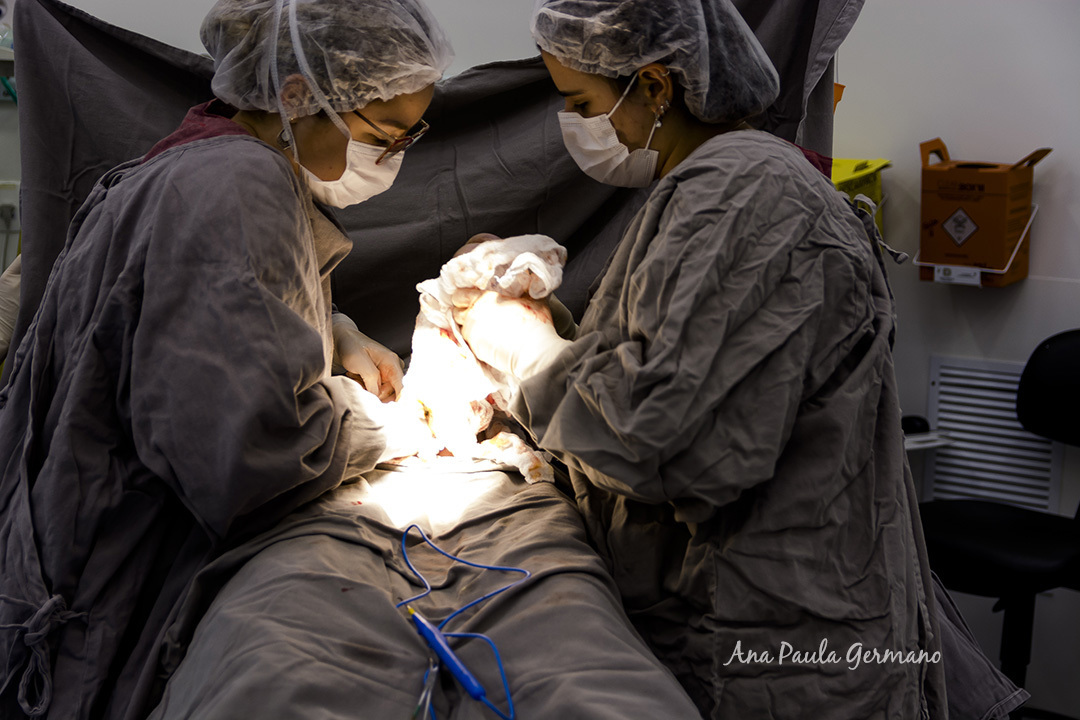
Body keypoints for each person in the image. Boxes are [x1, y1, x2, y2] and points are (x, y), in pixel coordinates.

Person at [453, 1, 948, 718]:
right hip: (747, 618)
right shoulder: (711, 185)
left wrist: (522, 347)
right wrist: (545, 320)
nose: (581, 127)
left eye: (583, 103)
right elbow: (673, 365)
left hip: (775, 649)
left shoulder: (742, 195)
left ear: (656, 87)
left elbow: (655, 440)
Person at [0, 1, 450, 718]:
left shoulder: (208, 154)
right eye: (382, 136)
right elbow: (245, 455)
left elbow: (186, 303)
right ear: (299, 95)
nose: (390, 159)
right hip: (115, 567)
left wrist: (331, 328)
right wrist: (389, 427)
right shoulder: (237, 186)